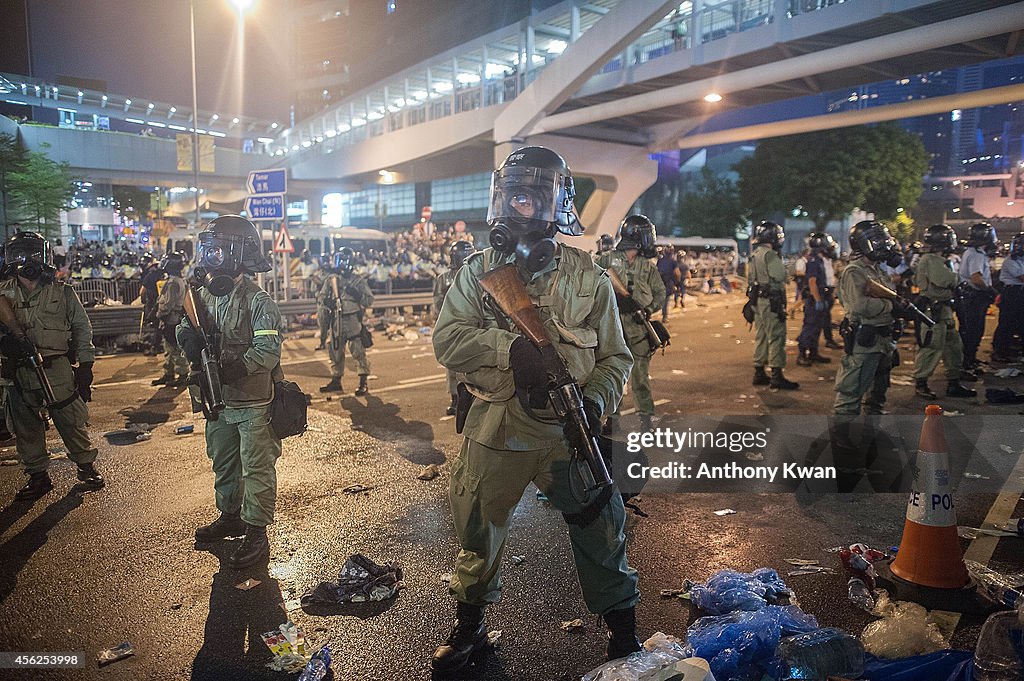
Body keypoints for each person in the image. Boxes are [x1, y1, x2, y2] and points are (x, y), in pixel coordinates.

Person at [432, 146, 639, 674]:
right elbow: (448, 339)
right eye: (510, 195)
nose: (517, 206)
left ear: (556, 203)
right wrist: (509, 352)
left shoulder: (589, 279)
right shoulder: (480, 272)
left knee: (601, 525)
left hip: (569, 433)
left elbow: (617, 357)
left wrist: (595, 402)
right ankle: (468, 628)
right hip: (498, 426)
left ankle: (623, 635)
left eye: (530, 196)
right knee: (478, 528)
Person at [176, 215, 283, 570]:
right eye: (208, 249)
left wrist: (238, 366)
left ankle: (256, 532)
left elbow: (267, 351)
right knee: (222, 461)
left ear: (239, 253)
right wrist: (188, 340)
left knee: (256, 469)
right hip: (217, 401)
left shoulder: (259, 301)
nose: (211, 257)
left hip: (252, 401)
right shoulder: (202, 295)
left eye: (218, 250)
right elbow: (184, 326)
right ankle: (230, 516)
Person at [0, 232, 103, 501]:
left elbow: (82, 329)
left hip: (55, 367)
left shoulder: (62, 292)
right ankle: (37, 476)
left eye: (33, 254)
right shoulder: (3, 294)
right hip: (17, 369)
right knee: (24, 425)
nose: (27, 261)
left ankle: (85, 466)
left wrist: (86, 364)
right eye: (21, 255)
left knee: (70, 419)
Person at [596, 215, 666, 432]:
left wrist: (648, 310)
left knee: (640, 378)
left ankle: (645, 418)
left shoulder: (647, 266)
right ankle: (613, 420)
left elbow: (660, 292)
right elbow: (592, 280)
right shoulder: (607, 260)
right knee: (614, 376)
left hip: (638, 327)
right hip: (613, 327)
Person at [833, 221, 902, 415]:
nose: (883, 244)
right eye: (877, 240)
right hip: (866, 339)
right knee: (851, 392)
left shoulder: (877, 270)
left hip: (883, 339)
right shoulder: (854, 271)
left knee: (878, 392)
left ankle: (869, 433)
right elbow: (860, 305)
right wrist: (891, 306)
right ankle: (842, 438)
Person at [911, 225, 976, 400]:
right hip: (933, 310)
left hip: (944, 309)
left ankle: (953, 383)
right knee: (932, 347)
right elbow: (944, 279)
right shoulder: (930, 259)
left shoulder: (938, 259)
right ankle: (921, 383)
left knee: (954, 347)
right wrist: (958, 280)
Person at [748, 221, 799, 389]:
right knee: (776, 336)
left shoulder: (755, 254)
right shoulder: (770, 255)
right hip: (771, 301)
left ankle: (759, 372)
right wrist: (790, 270)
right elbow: (779, 276)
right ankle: (777, 375)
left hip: (758, 300)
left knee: (761, 335)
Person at [318, 247, 374, 396]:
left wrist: (357, 295)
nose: (341, 264)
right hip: (336, 319)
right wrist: (327, 301)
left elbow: (369, 300)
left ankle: (363, 383)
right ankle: (336, 381)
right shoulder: (331, 279)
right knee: (335, 350)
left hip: (352, 319)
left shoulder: (358, 280)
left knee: (358, 351)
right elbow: (321, 296)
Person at [433, 240, 476, 416]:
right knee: (452, 365)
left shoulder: (477, 274)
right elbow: (437, 302)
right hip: (453, 323)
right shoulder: (444, 278)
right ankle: (455, 399)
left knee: (475, 362)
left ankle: (474, 397)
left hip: (473, 324)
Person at [956, 222, 999, 375]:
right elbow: (976, 278)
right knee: (973, 330)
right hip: (973, 297)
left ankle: (970, 359)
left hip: (969, 297)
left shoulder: (971, 252)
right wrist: (990, 290)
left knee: (970, 330)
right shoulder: (976, 254)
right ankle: (967, 362)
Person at [795, 232, 835, 367]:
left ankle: (813, 353)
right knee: (810, 327)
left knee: (817, 327)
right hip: (814, 298)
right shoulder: (813, 261)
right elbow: (812, 282)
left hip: (821, 296)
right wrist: (818, 300)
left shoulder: (820, 260)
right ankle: (802, 354)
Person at [151, 251, 189, 387]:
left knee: (174, 348)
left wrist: (158, 315)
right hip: (173, 318)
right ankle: (169, 373)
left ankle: (182, 374)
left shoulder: (173, 282)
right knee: (168, 348)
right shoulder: (178, 280)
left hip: (171, 319)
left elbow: (167, 304)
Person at [992, 232, 1024, 362]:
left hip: (1020, 292)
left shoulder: (1021, 259)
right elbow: (1022, 278)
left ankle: (1014, 348)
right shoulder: (1011, 261)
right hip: (1012, 293)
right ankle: (999, 350)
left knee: (1020, 322)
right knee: (1007, 323)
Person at [656, 247, 680, 321]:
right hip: (668, 281)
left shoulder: (660, 260)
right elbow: (677, 273)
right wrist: (677, 282)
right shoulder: (673, 261)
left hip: (660, 281)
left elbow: (656, 271)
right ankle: (665, 316)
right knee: (666, 299)